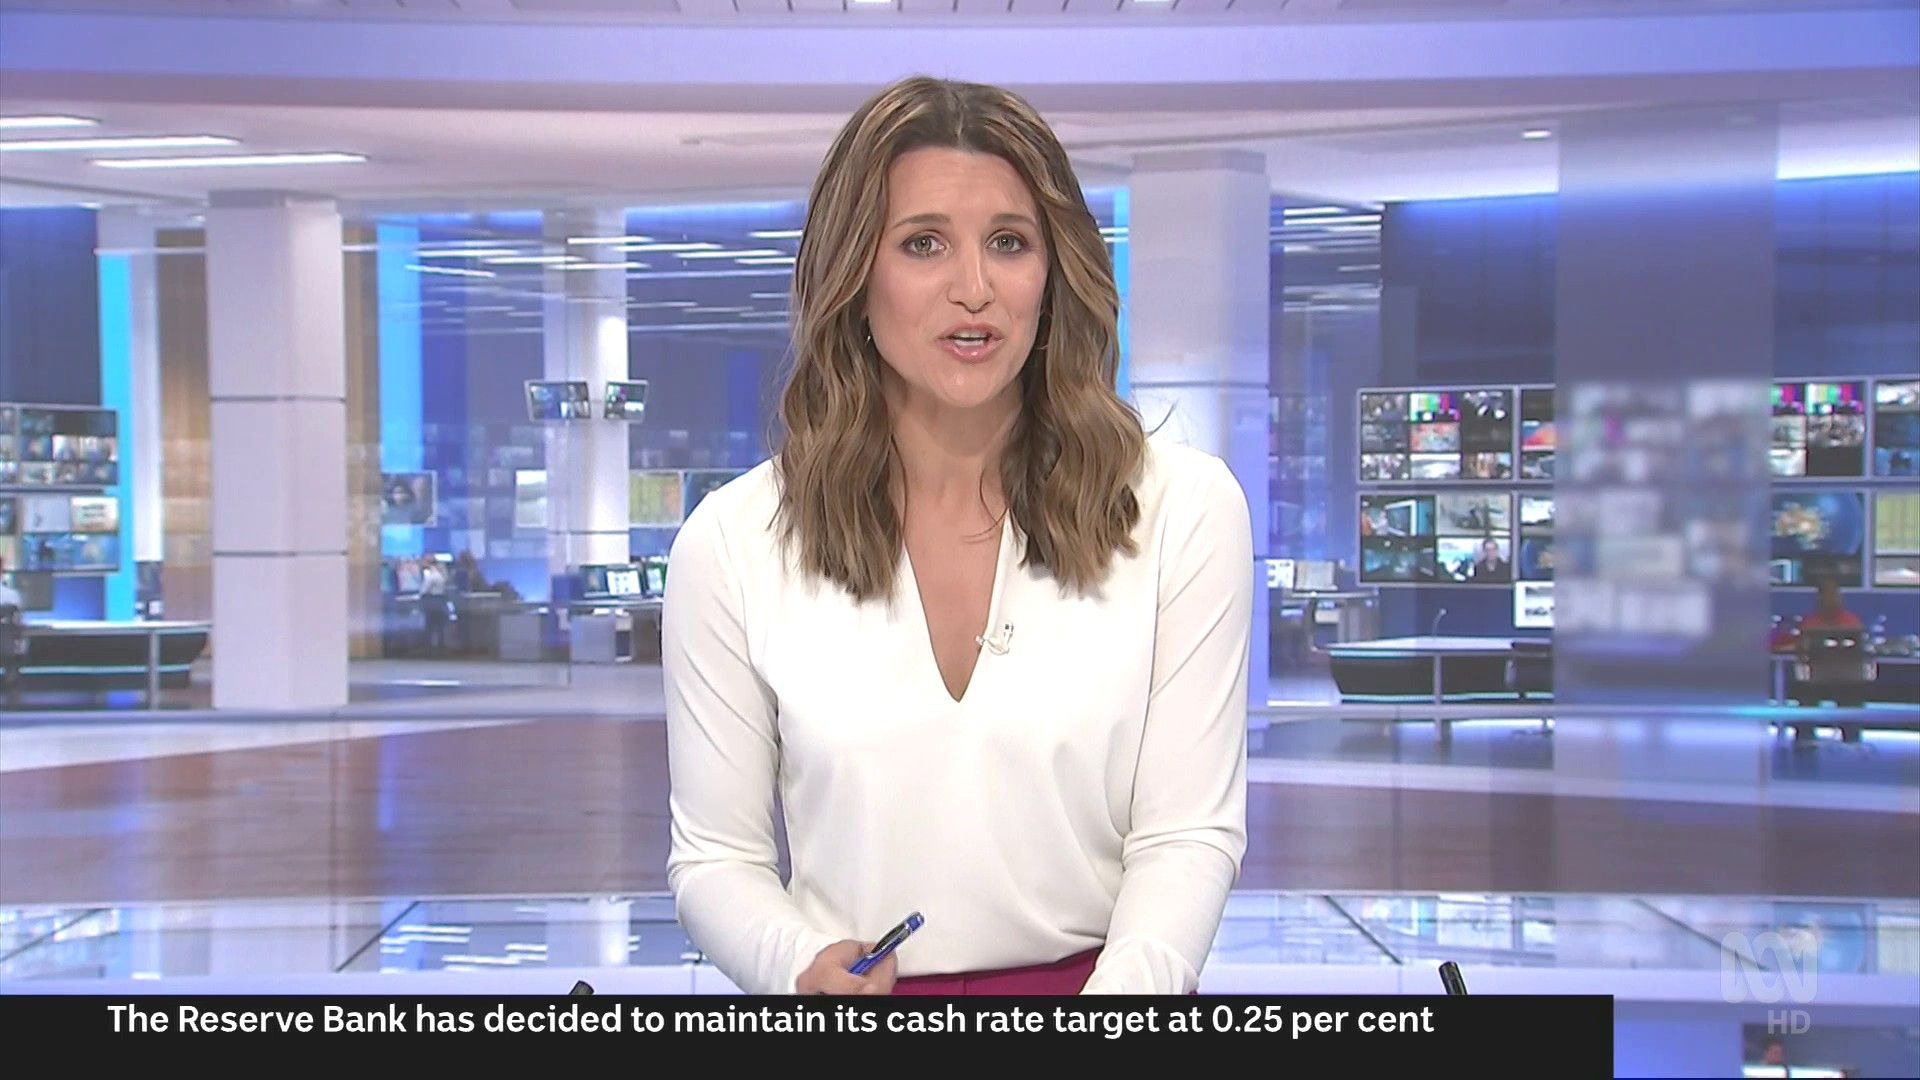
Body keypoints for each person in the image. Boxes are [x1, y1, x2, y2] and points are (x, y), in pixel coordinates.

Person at [663, 75, 1252, 997]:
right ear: (854, 273)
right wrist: (795, 965)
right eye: (923, 243)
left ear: (1054, 273)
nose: (973, 289)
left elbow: (1187, 835)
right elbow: (714, 860)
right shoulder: (734, 541)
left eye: (1009, 243)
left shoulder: (1183, 510)